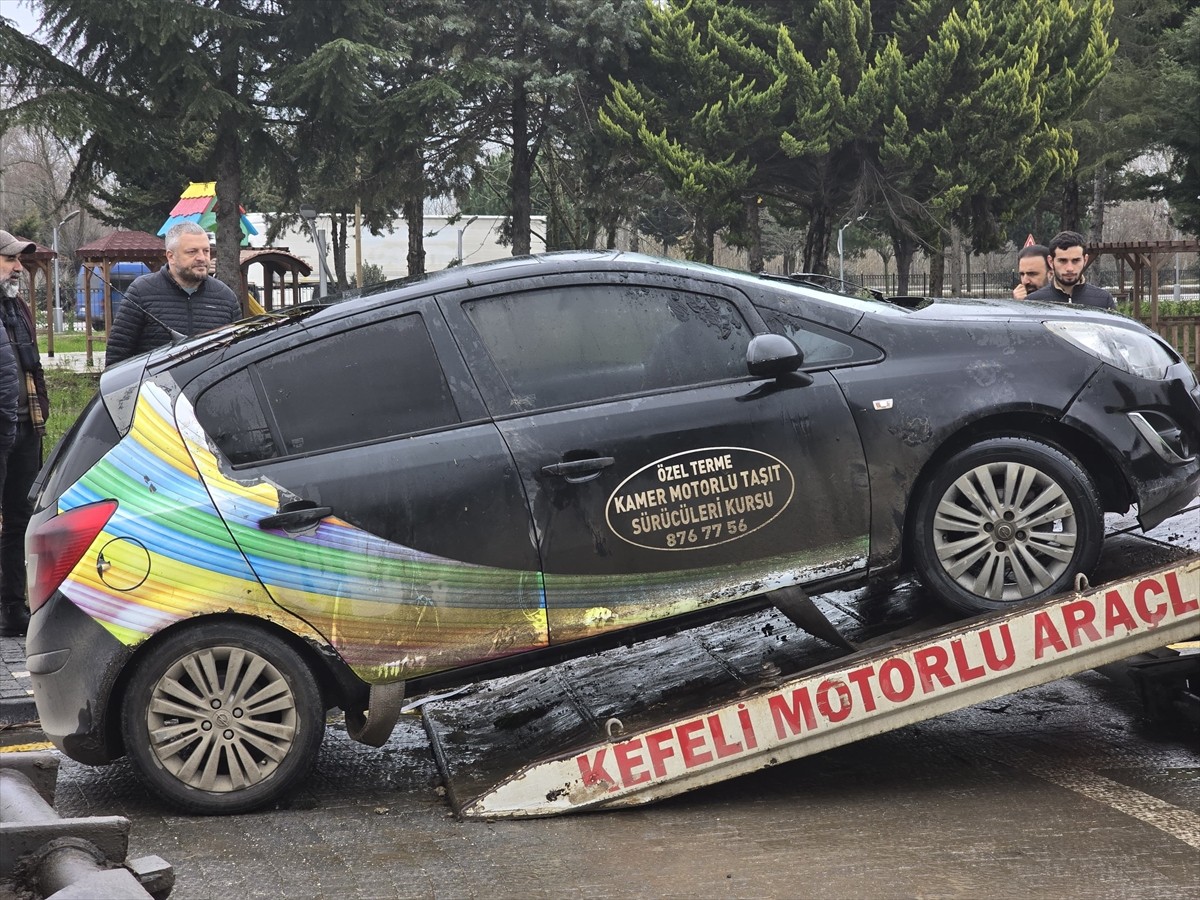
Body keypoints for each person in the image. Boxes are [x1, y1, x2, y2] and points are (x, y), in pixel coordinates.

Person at [105, 221, 242, 365]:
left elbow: (238, 355)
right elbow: (117, 355)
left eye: (206, 251)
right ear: (171, 256)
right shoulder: (141, 292)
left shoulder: (225, 298)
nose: (202, 258)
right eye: (192, 252)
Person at [0, 230, 48, 637]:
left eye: (18, 260)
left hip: (24, 426)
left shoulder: (17, 307)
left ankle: (14, 607)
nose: (18, 267)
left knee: (19, 519)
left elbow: (34, 368)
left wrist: (41, 414)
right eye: (9, 259)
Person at [1025, 230, 1115, 309]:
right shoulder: (1034, 302)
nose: (1069, 268)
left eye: (1076, 261)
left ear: (1085, 260)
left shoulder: (1104, 301)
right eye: (1062, 261)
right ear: (1051, 262)